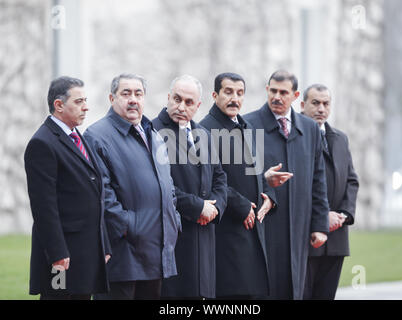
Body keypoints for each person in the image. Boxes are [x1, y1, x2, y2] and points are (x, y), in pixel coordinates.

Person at [84, 74, 181, 300]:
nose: (133, 100)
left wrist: (173, 220)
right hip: (123, 254)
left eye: (138, 94)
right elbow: (101, 193)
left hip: (156, 251)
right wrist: (130, 225)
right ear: (112, 98)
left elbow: (168, 185)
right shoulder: (97, 136)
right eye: (125, 94)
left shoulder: (153, 134)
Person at [244, 70, 329, 299]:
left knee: (296, 288)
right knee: (265, 289)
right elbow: (239, 176)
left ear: (295, 95)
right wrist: (264, 180)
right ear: (267, 90)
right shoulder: (248, 125)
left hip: (299, 226)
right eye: (273, 91)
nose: (277, 97)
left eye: (283, 92)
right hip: (263, 225)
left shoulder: (310, 128)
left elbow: (318, 180)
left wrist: (319, 224)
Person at [24, 76, 111, 300]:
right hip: (61, 259)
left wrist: (104, 244)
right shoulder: (42, 143)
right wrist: (57, 254)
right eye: (79, 101)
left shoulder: (77, 137)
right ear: (59, 105)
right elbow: (44, 207)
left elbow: (94, 194)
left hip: (85, 255)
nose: (86, 107)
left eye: (86, 100)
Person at [200, 72, 275, 299]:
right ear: (215, 95)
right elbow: (210, 180)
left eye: (240, 93)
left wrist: (270, 194)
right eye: (228, 92)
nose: (235, 98)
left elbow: (257, 173)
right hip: (227, 229)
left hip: (254, 229)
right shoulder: (205, 130)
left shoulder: (245, 127)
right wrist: (241, 206)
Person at [152, 75, 227, 299]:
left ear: (198, 106)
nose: (181, 106)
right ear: (168, 98)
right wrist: (197, 208)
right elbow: (160, 185)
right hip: (175, 238)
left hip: (205, 236)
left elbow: (220, 177)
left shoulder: (202, 134)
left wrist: (215, 209)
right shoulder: (153, 132)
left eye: (188, 102)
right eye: (177, 99)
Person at [301, 84, 359, 300]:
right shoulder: (294, 136)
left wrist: (343, 214)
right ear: (302, 104)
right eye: (315, 103)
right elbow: (295, 186)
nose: (321, 109)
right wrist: (321, 217)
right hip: (307, 237)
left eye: (326, 104)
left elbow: (351, 180)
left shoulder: (341, 139)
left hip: (336, 238)